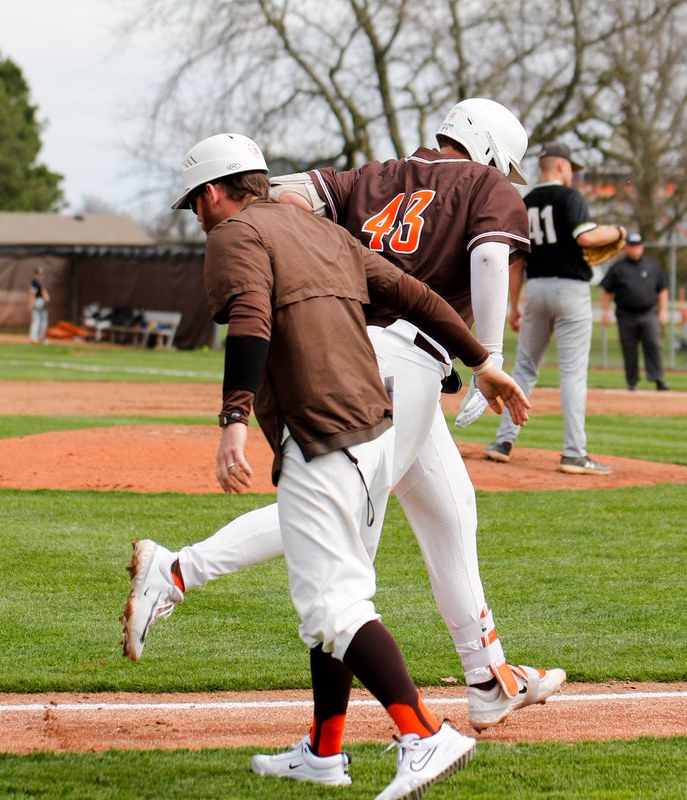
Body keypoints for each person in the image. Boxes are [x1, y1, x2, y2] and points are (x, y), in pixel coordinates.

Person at [123, 99, 567, 735]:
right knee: (336, 524)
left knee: (450, 509)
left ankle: (486, 676)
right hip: (399, 366)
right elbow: (492, 258)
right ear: (494, 150)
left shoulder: (370, 177)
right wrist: (490, 355)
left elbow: (274, 194)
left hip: (358, 352)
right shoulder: (486, 182)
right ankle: (177, 572)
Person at [482, 141, 625, 473]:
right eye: (571, 167)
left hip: (536, 289)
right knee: (572, 374)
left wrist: (513, 306)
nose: (572, 174)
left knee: (525, 368)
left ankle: (503, 441)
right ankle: (574, 453)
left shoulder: (526, 201)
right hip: (571, 290)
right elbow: (586, 238)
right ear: (561, 166)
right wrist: (618, 231)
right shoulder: (570, 197)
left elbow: (516, 262)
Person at [599, 232, 669, 391]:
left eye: (637, 245)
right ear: (626, 248)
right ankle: (632, 381)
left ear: (642, 247)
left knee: (653, 344)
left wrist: (663, 310)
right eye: (631, 246)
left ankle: (658, 378)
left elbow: (662, 290)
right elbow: (607, 292)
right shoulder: (618, 268)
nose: (635, 249)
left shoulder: (653, 266)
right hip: (625, 315)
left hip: (648, 313)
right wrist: (605, 313)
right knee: (629, 348)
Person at [28, 266, 50, 344]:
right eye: (38, 274)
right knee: (40, 320)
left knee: (40, 320)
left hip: (39, 302)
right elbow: (32, 293)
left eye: (41, 274)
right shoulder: (35, 282)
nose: (40, 275)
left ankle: (37, 338)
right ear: (35, 274)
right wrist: (30, 304)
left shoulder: (38, 282)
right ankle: (37, 338)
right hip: (39, 302)